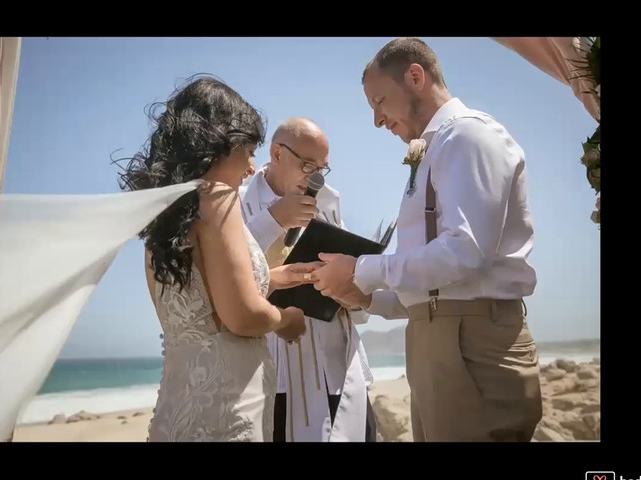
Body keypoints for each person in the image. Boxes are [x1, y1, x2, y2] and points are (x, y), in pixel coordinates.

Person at [310, 38, 543, 442]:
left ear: (415, 77)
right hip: (439, 342)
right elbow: (435, 289)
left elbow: (465, 252)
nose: (377, 121)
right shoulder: (435, 148)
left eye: (379, 101)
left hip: (472, 346)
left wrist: (361, 270)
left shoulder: (468, 137)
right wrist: (365, 298)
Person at [116, 75, 321, 442]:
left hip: (175, 410)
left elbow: (204, 298)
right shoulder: (218, 199)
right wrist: (285, 319)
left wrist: (275, 278)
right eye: (248, 151)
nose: (249, 168)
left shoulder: (166, 213)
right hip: (227, 409)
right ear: (218, 145)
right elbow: (240, 316)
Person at [238, 117, 377, 442]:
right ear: (276, 153)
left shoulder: (328, 202)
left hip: (337, 369)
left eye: (322, 168)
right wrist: (274, 220)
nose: (315, 178)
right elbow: (229, 276)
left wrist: (348, 290)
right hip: (276, 376)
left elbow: (358, 301)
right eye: (307, 165)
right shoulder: (238, 200)